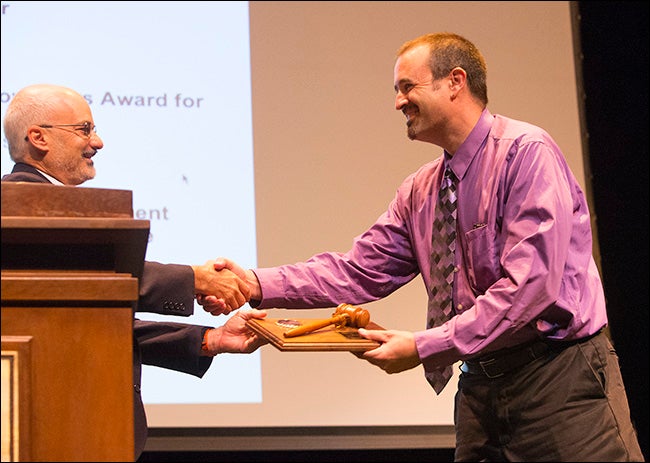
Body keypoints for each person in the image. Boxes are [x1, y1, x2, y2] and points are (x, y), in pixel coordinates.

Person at [211, 33, 644, 461]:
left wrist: (424, 346)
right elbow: (356, 271)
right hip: (480, 388)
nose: (398, 102)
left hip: (559, 381)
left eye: (407, 87)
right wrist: (253, 283)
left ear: (455, 81)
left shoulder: (526, 154)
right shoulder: (420, 190)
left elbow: (529, 289)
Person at [2, 83, 268, 460]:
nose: (98, 142)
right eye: (84, 129)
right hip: (53, 429)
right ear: (38, 137)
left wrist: (210, 339)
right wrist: (197, 279)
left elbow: (91, 324)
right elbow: (105, 276)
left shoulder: (47, 204)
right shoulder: (17, 203)